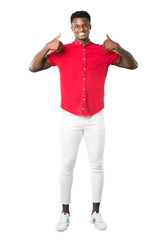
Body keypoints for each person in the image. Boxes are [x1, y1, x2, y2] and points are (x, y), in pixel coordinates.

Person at [29, 10, 138, 232]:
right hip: (69, 117)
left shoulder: (103, 51)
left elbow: (132, 65)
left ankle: (96, 212)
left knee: (97, 165)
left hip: (95, 116)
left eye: (85, 25)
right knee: (66, 165)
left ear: (90, 26)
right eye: (77, 26)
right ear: (72, 28)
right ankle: (65, 213)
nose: (81, 29)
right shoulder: (62, 51)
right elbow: (33, 67)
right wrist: (46, 47)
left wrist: (118, 46)